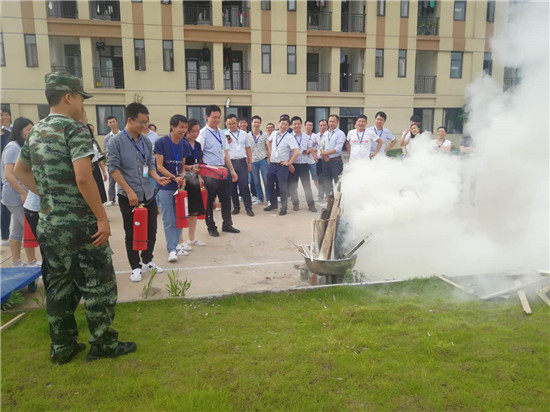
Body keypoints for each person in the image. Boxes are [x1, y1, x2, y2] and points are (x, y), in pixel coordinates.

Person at [15, 72, 135, 364]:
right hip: (79, 225)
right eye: (81, 98)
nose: (83, 104)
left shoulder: (36, 131)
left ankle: (63, 346)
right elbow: (83, 177)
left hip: (49, 223)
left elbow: (20, 171)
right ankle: (103, 343)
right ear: (68, 97)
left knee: (59, 286)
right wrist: (102, 218)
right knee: (99, 284)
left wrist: (50, 196)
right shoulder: (75, 129)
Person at [107, 103, 170, 282]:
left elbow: (150, 164)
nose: (145, 126)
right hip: (128, 196)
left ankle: (147, 260)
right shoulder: (115, 142)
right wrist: (129, 191)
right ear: (130, 120)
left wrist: (157, 178)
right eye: (142, 122)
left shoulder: (146, 141)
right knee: (132, 232)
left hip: (147, 194)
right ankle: (135, 266)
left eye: (146, 122)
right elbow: (113, 169)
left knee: (151, 230)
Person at [196, 105, 240, 237]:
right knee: (209, 201)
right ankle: (211, 226)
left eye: (218, 117)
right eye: (213, 117)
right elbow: (198, 155)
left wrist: (232, 170)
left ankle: (227, 224)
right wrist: (199, 175)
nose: (216, 120)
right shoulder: (202, 134)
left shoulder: (221, 133)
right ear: (207, 117)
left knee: (226, 198)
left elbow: (225, 153)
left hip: (222, 170)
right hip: (209, 171)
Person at [1, 117, 40, 266]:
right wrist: (23, 193)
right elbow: (9, 175)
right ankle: (32, 260)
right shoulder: (13, 147)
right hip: (15, 195)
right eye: (28, 130)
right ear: (19, 130)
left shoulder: (21, 146)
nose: (31, 132)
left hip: (20, 194)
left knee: (16, 230)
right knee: (28, 227)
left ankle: (16, 262)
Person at [155, 114, 191, 263]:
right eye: (181, 127)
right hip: (165, 185)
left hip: (179, 186)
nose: (184, 130)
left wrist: (182, 177)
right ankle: (171, 249)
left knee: (180, 217)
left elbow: (182, 166)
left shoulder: (184, 144)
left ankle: (176, 245)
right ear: (173, 126)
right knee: (169, 218)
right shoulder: (161, 142)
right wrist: (173, 177)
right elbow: (159, 166)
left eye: (186, 128)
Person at [264, 117, 300, 215]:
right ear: (278, 123)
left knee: (282, 188)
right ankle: (273, 204)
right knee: (269, 185)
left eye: (286, 125)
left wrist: (289, 163)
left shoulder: (289, 137)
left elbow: (297, 152)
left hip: (282, 167)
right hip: (272, 164)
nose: (283, 126)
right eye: (282, 123)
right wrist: (270, 151)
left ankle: (284, 208)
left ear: (288, 126)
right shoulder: (274, 133)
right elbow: (268, 141)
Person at [180, 119, 206, 248]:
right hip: (184, 180)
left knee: (194, 211)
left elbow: (199, 163)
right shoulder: (182, 143)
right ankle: (180, 241)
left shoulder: (198, 145)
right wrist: (189, 168)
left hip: (194, 179)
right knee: (181, 211)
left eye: (197, 131)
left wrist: (199, 177)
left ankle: (191, 238)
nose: (195, 134)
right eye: (192, 131)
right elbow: (180, 164)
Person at [225, 114, 254, 216]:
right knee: (232, 186)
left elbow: (248, 148)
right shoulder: (223, 135)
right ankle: (236, 207)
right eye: (229, 124)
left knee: (244, 185)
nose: (232, 126)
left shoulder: (243, 134)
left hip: (242, 162)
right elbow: (221, 150)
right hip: (230, 163)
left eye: (233, 123)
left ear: (237, 122)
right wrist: (227, 143)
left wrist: (249, 162)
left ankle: (248, 208)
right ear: (226, 124)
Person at [288, 116, 317, 212]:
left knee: (307, 186)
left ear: (301, 125)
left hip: (304, 164)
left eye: (298, 124)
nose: (297, 126)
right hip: (294, 164)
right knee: (293, 186)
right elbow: (287, 151)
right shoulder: (289, 137)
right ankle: (295, 204)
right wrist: (290, 164)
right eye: (294, 124)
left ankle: (311, 204)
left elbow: (309, 147)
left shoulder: (305, 136)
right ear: (291, 125)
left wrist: (308, 150)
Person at [320, 114, 346, 197]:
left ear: (337, 122)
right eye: (330, 121)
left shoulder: (340, 134)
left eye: (333, 121)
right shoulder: (325, 133)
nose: (331, 123)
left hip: (336, 161)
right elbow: (322, 146)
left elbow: (338, 149)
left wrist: (325, 154)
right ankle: (328, 199)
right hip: (326, 161)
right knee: (327, 181)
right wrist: (324, 156)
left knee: (337, 182)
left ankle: (338, 200)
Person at [248, 115, 269, 205]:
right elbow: (247, 149)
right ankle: (260, 198)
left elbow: (268, 148)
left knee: (266, 180)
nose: (256, 124)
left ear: (260, 123)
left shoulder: (265, 135)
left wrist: (269, 160)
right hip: (253, 161)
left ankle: (269, 199)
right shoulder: (247, 135)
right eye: (255, 122)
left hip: (263, 159)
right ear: (251, 123)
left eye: (258, 122)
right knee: (256, 181)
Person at [1, 104, 12, 245]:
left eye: (5, 114)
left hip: (12, 171)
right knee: (3, 205)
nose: (3, 117)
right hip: (3, 173)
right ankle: (4, 235)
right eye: (1, 115)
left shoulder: (12, 132)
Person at [104, 116, 119, 206]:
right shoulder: (107, 137)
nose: (112, 124)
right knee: (111, 182)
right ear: (108, 124)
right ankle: (111, 199)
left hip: (123, 162)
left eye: (113, 121)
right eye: (110, 122)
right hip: (112, 162)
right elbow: (106, 151)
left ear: (117, 122)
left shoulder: (123, 134)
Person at [315, 119, 329, 201]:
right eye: (321, 125)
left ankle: (328, 196)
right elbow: (311, 146)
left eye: (324, 125)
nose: (322, 127)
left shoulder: (329, 135)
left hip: (328, 160)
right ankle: (320, 196)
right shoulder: (316, 136)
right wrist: (314, 155)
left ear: (327, 126)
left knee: (327, 178)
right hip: (319, 161)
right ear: (318, 126)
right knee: (320, 179)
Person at [304, 120, 319, 194]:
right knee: (305, 180)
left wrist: (311, 150)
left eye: (311, 125)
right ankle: (308, 194)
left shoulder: (315, 136)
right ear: (305, 126)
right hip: (303, 161)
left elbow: (318, 147)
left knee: (315, 178)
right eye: (308, 125)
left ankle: (320, 193)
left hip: (312, 161)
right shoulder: (302, 135)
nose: (309, 127)